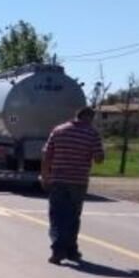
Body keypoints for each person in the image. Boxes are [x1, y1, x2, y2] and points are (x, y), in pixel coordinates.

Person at [40, 106, 105, 265]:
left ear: (76, 116)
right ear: (89, 117)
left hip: (58, 180)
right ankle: (69, 250)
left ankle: (63, 251)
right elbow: (99, 159)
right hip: (78, 181)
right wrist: (98, 152)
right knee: (73, 217)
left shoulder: (59, 130)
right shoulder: (92, 134)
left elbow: (47, 154)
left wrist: (45, 175)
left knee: (57, 216)